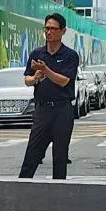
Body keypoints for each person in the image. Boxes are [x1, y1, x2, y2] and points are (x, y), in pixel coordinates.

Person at [19, 12, 79, 181]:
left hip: (62, 110)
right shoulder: (37, 54)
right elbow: (27, 80)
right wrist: (35, 77)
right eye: (47, 28)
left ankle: (58, 190)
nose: (49, 32)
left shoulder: (70, 55)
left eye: (53, 28)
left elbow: (64, 81)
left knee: (60, 156)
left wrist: (46, 70)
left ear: (63, 31)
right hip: (42, 110)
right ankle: (21, 187)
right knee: (32, 154)